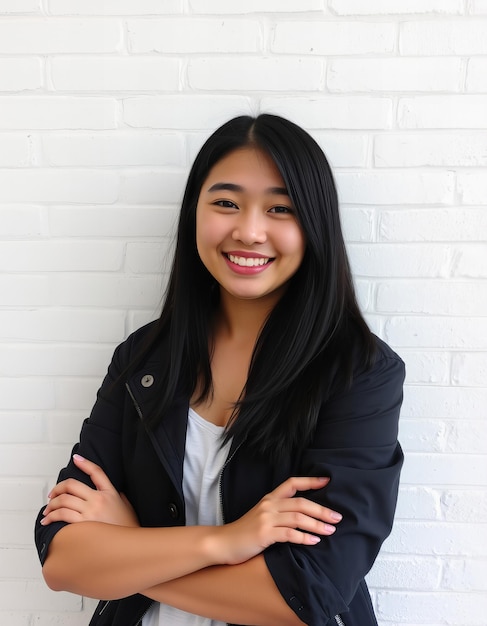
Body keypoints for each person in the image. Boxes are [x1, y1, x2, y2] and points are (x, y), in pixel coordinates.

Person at [35, 114, 405, 626]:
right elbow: (63, 559)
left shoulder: (359, 373)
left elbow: (307, 596)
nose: (249, 231)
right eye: (226, 203)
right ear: (195, 213)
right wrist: (228, 541)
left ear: (315, 224)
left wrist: (129, 551)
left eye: (281, 208)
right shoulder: (143, 359)